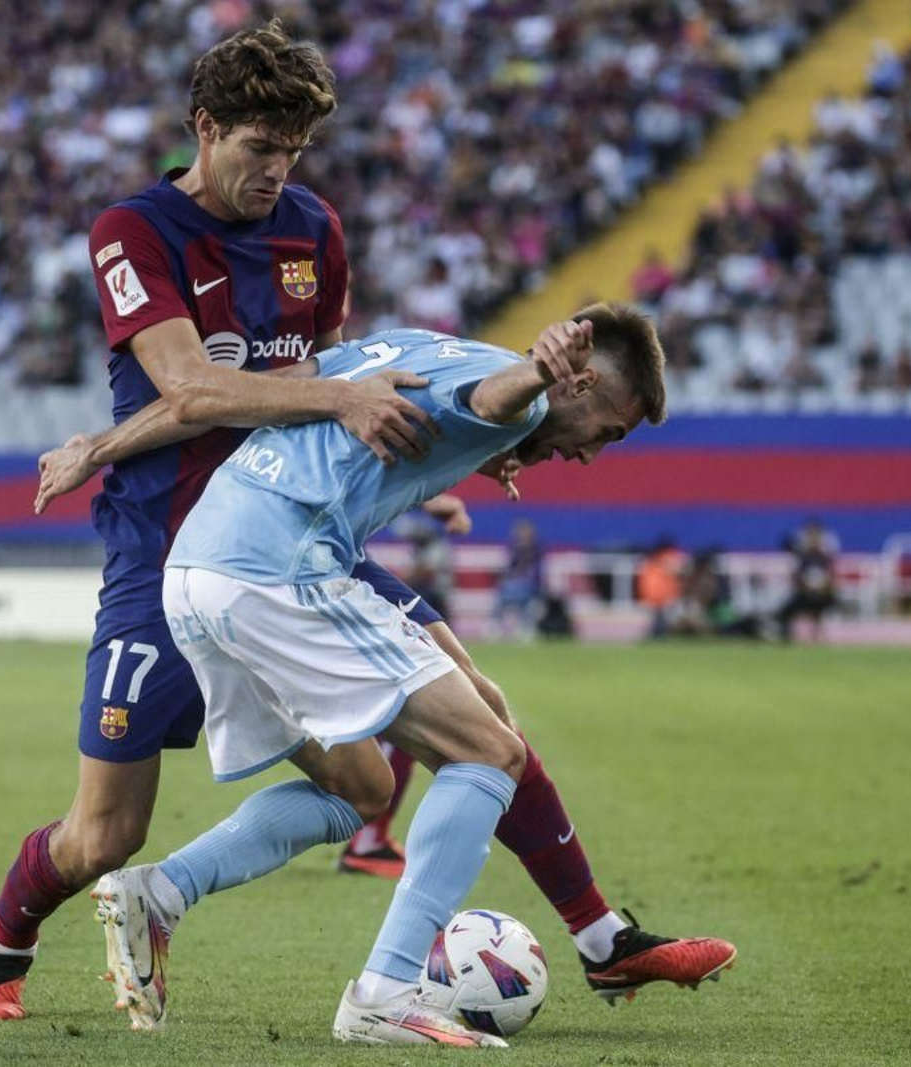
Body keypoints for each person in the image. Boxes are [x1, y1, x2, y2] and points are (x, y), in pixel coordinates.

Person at [0, 22, 732, 1024]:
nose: (276, 171)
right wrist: (112, 449)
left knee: (436, 742)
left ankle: (600, 937)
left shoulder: (311, 228)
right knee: (103, 832)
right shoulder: (134, 228)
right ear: (204, 127)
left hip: (305, 536)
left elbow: (339, 370)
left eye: (294, 150)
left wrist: (423, 458)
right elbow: (198, 387)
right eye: (257, 148)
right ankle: (0, 951)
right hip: (167, 545)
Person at [93, 308, 675, 1046]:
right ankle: (387, 991)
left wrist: (492, 439)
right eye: (608, 431)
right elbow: (497, 398)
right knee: (490, 751)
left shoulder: (428, 346)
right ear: (580, 380)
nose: (595, 452)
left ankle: (159, 893)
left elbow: (314, 388)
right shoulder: (521, 391)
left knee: (361, 789)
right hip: (278, 570)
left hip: (197, 569)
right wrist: (536, 372)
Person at [775, 519, 837, 642]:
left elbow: (832, 579)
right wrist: (804, 588)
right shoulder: (803, 557)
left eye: (816, 536)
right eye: (810, 535)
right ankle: (786, 638)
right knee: (784, 611)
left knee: (819, 605)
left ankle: (816, 636)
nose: (813, 539)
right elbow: (796, 579)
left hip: (823, 596)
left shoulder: (824, 558)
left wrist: (823, 589)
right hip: (805, 595)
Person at [493, 518, 544, 639]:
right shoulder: (514, 550)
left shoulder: (536, 551)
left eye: (525, 533)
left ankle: (525, 628)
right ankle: (494, 626)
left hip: (531, 587)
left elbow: (537, 575)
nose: (522, 535)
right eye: (520, 533)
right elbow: (508, 570)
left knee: (520, 593)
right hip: (513, 586)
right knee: (504, 593)